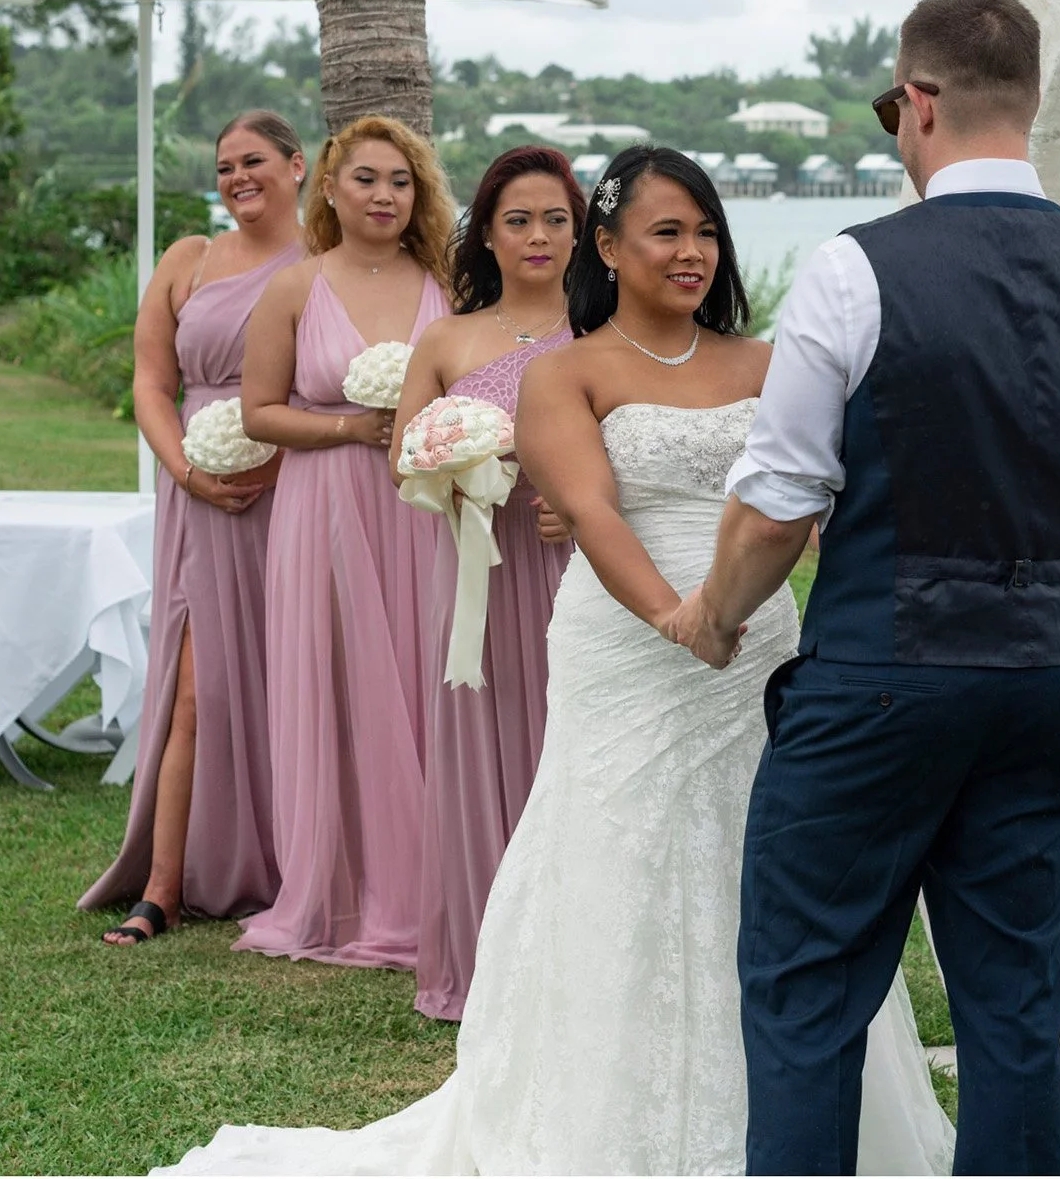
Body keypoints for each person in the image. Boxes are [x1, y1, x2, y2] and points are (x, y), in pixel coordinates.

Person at [163, 146, 952, 1177]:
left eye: (706, 231)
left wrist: (748, 608)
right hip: (629, 639)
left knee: (766, 856)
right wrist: (679, 617)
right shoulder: (563, 372)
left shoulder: (765, 363)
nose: (693, 251)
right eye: (667, 232)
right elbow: (587, 510)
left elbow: (812, 499)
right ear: (612, 247)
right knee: (616, 849)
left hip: (757, 641)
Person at [672, 0, 1060, 1176]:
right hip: (1049, 673)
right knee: (1011, 1005)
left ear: (918, 102)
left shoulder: (853, 267)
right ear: (1025, 104)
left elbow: (780, 497)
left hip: (881, 673)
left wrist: (715, 614)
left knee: (805, 986)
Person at [232, 115, 454, 971]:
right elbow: (260, 413)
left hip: (425, 506)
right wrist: (349, 428)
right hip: (326, 507)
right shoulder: (295, 287)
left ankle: (432, 880)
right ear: (328, 186)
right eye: (367, 178)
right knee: (338, 684)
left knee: (421, 675)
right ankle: (344, 887)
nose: (385, 195)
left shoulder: (443, 282)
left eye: (401, 181)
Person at [83, 111, 306, 944]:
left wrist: (274, 467)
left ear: (297, 165)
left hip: (293, 492)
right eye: (224, 167)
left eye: (253, 161)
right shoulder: (189, 259)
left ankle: (300, 866)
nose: (238, 177)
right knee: (194, 687)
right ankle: (164, 887)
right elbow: (150, 380)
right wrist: (188, 472)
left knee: (294, 675)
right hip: (198, 494)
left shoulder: (322, 265)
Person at [390, 147, 583, 1023]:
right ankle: (483, 965)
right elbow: (404, 459)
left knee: (572, 744)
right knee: (482, 740)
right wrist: (460, 476)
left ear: (584, 232)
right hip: (478, 571)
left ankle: (577, 954)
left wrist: (581, 505)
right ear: (488, 235)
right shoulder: (448, 338)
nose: (538, 235)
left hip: (583, 568)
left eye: (555, 218)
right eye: (518, 220)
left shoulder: (606, 333)